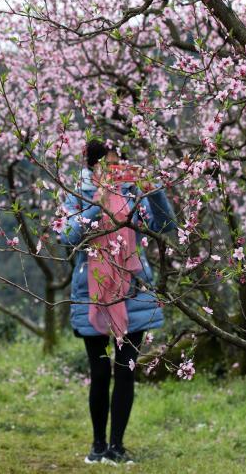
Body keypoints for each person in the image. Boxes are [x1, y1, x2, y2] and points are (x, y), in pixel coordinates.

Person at [59, 139, 176, 465]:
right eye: (105, 165)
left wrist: (153, 190)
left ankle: (117, 447)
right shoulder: (78, 194)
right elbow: (67, 236)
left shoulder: (134, 195)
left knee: (125, 370)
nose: (112, 171)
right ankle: (98, 445)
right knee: (99, 371)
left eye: (117, 164)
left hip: (133, 290)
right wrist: (96, 201)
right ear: (91, 166)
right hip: (92, 291)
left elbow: (166, 226)